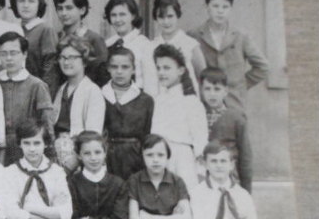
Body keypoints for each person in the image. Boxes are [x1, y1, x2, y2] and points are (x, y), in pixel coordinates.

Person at [188, 0, 268, 111]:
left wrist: (240, 86)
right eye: (215, 6)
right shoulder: (194, 35)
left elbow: (263, 67)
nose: (220, 11)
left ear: (230, 9)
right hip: (204, 105)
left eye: (225, 7)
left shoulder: (241, 36)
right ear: (207, 7)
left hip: (234, 103)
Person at [151, 44, 208, 186]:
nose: (161, 72)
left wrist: (200, 172)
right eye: (158, 68)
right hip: (159, 158)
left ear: (181, 70)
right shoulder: (157, 100)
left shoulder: (191, 102)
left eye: (167, 68)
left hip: (182, 161)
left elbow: (200, 139)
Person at [0, 31, 54, 165]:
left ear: (24, 54)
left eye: (14, 53)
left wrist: (49, 153)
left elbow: (46, 123)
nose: (9, 58)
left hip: (27, 148)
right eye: (3, 53)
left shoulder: (37, 85)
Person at [50, 34, 106, 172]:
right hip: (56, 155)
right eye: (63, 57)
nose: (66, 62)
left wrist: (74, 162)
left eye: (72, 57)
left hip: (79, 157)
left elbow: (93, 134)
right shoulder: (61, 89)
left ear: (84, 61)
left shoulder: (92, 91)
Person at [101, 46, 154, 182]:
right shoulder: (100, 95)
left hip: (135, 158)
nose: (119, 72)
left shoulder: (145, 100)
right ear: (108, 68)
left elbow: (147, 134)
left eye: (125, 67)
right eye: (114, 67)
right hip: (107, 156)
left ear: (134, 69)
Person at [200, 67, 253, 191]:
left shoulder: (236, 117)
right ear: (201, 90)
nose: (212, 94)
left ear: (225, 91)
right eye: (207, 89)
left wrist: (246, 189)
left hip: (229, 177)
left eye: (217, 89)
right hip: (203, 177)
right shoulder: (197, 114)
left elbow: (245, 155)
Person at [50, 0, 108, 95]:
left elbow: (102, 78)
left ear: (82, 10)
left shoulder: (94, 39)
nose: (64, 13)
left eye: (69, 8)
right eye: (60, 8)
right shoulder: (55, 38)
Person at [104, 0, 157, 96]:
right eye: (113, 15)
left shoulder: (144, 45)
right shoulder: (108, 44)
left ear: (133, 16)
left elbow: (151, 85)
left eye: (122, 14)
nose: (118, 19)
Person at [151, 0, 204, 91]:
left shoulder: (190, 45)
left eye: (170, 16)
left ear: (177, 15)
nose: (166, 22)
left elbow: (203, 78)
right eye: (161, 17)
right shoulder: (152, 46)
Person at [10, 0, 57, 83]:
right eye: (21, 1)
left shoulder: (45, 30)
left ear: (39, 4)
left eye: (31, 1)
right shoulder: (13, 30)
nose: (26, 5)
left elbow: (50, 68)